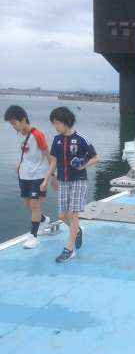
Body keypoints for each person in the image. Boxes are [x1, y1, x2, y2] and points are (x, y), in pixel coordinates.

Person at [41, 107, 99, 263]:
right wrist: (47, 179)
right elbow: (54, 161)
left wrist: (83, 165)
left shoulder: (81, 139)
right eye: (54, 123)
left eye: (57, 123)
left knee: (73, 214)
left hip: (79, 180)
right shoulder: (56, 140)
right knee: (62, 216)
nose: (55, 126)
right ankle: (77, 231)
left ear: (66, 122)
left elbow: (95, 157)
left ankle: (69, 249)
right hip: (63, 181)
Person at [4, 105, 51, 249]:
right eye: (11, 124)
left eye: (14, 123)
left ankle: (33, 236)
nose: (14, 127)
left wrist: (53, 176)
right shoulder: (20, 134)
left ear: (24, 119)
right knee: (28, 205)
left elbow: (48, 155)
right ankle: (44, 220)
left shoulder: (38, 134)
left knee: (35, 205)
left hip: (38, 174)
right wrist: (20, 163)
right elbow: (26, 153)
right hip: (24, 174)